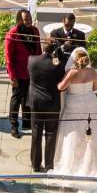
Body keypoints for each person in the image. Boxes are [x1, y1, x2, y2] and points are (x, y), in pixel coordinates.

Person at [55, 47, 97, 178]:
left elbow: (61, 88)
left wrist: (58, 83)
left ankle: (74, 163)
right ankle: (92, 163)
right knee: (92, 132)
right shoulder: (92, 72)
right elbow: (95, 88)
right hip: (89, 103)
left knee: (73, 134)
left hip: (74, 104)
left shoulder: (72, 73)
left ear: (75, 60)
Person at [27, 27, 66, 170]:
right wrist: (59, 53)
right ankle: (49, 165)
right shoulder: (57, 66)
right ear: (54, 50)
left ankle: (36, 165)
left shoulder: (31, 61)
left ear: (43, 48)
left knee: (36, 134)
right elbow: (62, 77)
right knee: (50, 134)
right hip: (51, 103)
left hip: (35, 102)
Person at [4, 9, 41, 137]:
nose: (29, 21)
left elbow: (38, 50)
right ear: (20, 20)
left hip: (32, 72)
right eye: (26, 19)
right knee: (16, 99)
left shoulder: (35, 31)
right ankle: (14, 126)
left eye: (30, 18)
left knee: (29, 98)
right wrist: (12, 76)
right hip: (18, 73)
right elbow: (8, 58)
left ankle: (26, 121)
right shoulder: (12, 34)